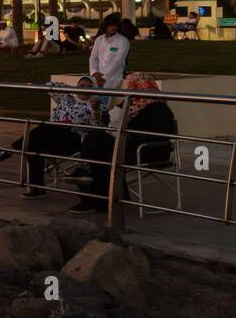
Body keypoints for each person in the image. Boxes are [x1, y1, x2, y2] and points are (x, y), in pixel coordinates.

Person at [70, 72, 176, 214]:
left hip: (147, 151)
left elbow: (163, 133)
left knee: (99, 147)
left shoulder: (159, 108)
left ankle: (91, 192)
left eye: (133, 86)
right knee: (98, 144)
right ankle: (94, 195)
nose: (130, 90)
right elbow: (107, 119)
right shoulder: (131, 104)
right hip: (125, 147)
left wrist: (128, 133)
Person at [0, 75, 101, 197]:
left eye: (89, 87)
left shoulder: (95, 104)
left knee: (45, 129)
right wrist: (72, 89)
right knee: (33, 145)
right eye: (82, 86)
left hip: (73, 142)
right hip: (51, 138)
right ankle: (37, 189)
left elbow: (96, 130)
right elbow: (51, 85)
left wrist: (95, 110)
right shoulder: (66, 98)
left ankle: (11, 148)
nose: (85, 89)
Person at [89, 12, 130, 90]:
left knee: (103, 98)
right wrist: (94, 72)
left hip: (114, 77)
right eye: (111, 25)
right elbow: (93, 58)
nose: (113, 28)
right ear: (105, 26)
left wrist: (104, 77)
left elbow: (118, 62)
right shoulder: (99, 39)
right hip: (97, 76)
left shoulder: (123, 41)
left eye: (115, 25)